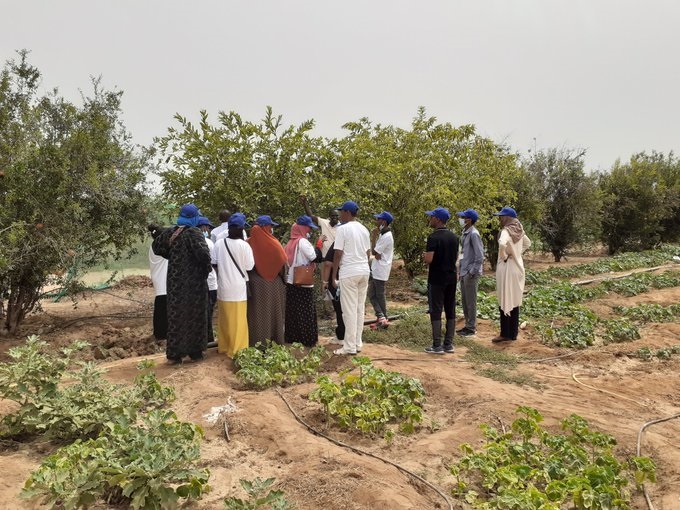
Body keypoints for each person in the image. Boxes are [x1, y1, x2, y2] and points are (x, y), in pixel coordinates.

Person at [152, 204, 213, 364]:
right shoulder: (194, 233)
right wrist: (205, 270)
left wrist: (171, 255)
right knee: (195, 315)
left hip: (174, 282)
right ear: (194, 217)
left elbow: (156, 247)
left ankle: (174, 355)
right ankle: (195, 352)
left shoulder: (171, 232)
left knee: (176, 316)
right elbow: (204, 255)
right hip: (194, 283)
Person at [212, 212, 255, 357]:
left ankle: (224, 346)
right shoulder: (244, 246)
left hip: (223, 287)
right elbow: (249, 267)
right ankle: (237, 350)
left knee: (225, 319)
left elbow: (214, 263)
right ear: (241, 229)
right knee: (238, 321)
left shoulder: (219, 243)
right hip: (238, 288)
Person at [332, 201, 371, 355]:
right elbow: (368, 253)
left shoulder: (343, 229)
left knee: (348, 310)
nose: (340, 215)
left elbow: (338, 253)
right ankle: (357, 343)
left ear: (347, 212)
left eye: (341, 212)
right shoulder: (364, 229)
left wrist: (334, 274)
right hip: (364, 271)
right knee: (359, 309)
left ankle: (349, 347)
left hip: (349, 272)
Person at [422, 207, 459, 354]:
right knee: (450, 309)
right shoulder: (454, 237)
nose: (430, 219)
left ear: (437, 219)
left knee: (436, 310)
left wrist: (424, 256)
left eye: (432, 217)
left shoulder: (433, 237)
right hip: (451, 277)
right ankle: (448, 344)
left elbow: (429, 259)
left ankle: (437, 345)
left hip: (437, 278)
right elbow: (456, 257)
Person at [247, 215, 288, 346]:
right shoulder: (274, 243)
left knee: (257, 314)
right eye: (270, 226)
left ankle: (257, 343)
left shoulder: (247, 243)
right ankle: (275, 341)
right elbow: (283, 263)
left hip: (255, 285)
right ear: (266, 227)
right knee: (274, 313)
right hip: (274, 284)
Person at [492, 206, 531, 343]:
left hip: (507, 268)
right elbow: (527, 243)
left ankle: (505, 333)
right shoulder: (519, 229)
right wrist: (517, 254)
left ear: (508, 217)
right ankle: (513, 333)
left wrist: (504, 255)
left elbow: (502, 243)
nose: (500, 219)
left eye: (502, 216)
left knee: (504, 299)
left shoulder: (506, 230)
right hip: (518, 267)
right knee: (514, 300)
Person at [284, 215, 321, 346]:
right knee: (306, 311)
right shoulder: (303, 242)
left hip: (291, 280)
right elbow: (314, 257)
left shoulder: (290, 242)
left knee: (293, 311)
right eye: (308, 228)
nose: (309, 230)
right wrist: (319, 245)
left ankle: (293, 337)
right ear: (302, 228)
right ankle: (307, 339)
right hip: (303, 282)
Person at [456, 208, 484, 336]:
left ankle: (471, 328)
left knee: (471, 302)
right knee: (465, 301)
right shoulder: (465, 233)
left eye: (463, 217)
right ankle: (468, 325)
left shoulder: (474, 234)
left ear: (469, 220)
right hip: (464, 271)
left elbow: (479, 256)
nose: (461, 219)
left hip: (470, 273)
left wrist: (472, 272)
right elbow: (463, 254)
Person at [368, 211, 394, 329]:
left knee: (378, 295)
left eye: (378, 219)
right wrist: (377, 254)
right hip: (377, 269)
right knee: (373, 294)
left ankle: (383, 318)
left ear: (383, 222)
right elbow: (377, 254)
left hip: (380, 270)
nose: (376, 221)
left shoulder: (386, 236)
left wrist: (373, 236)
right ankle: (382, 317)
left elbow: (375, 252)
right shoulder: (383, 234)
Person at [197, 216, 218, 334]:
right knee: (208, 311)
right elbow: (214, 262)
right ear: (204, 228)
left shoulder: (191, 241)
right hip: (210, 283)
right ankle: (208, 335)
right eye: (208, 228)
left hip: (197, 283)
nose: (209, 231)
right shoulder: (209, 243)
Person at [322, 241, 345, 344]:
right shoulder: (359, 238)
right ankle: (354, 337)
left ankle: (341, 336)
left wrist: (325, 281)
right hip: (356, 276)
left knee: (339, 308)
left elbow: (328, 264)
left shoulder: (338, 243)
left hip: (338, 280)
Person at [147, 224, 168, 341]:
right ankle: (161, 336)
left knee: (161, 310)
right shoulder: (159, 247)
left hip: (160, 282)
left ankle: (160, 335)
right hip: (163, 283)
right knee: (163, 311)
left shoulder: (154, 246)